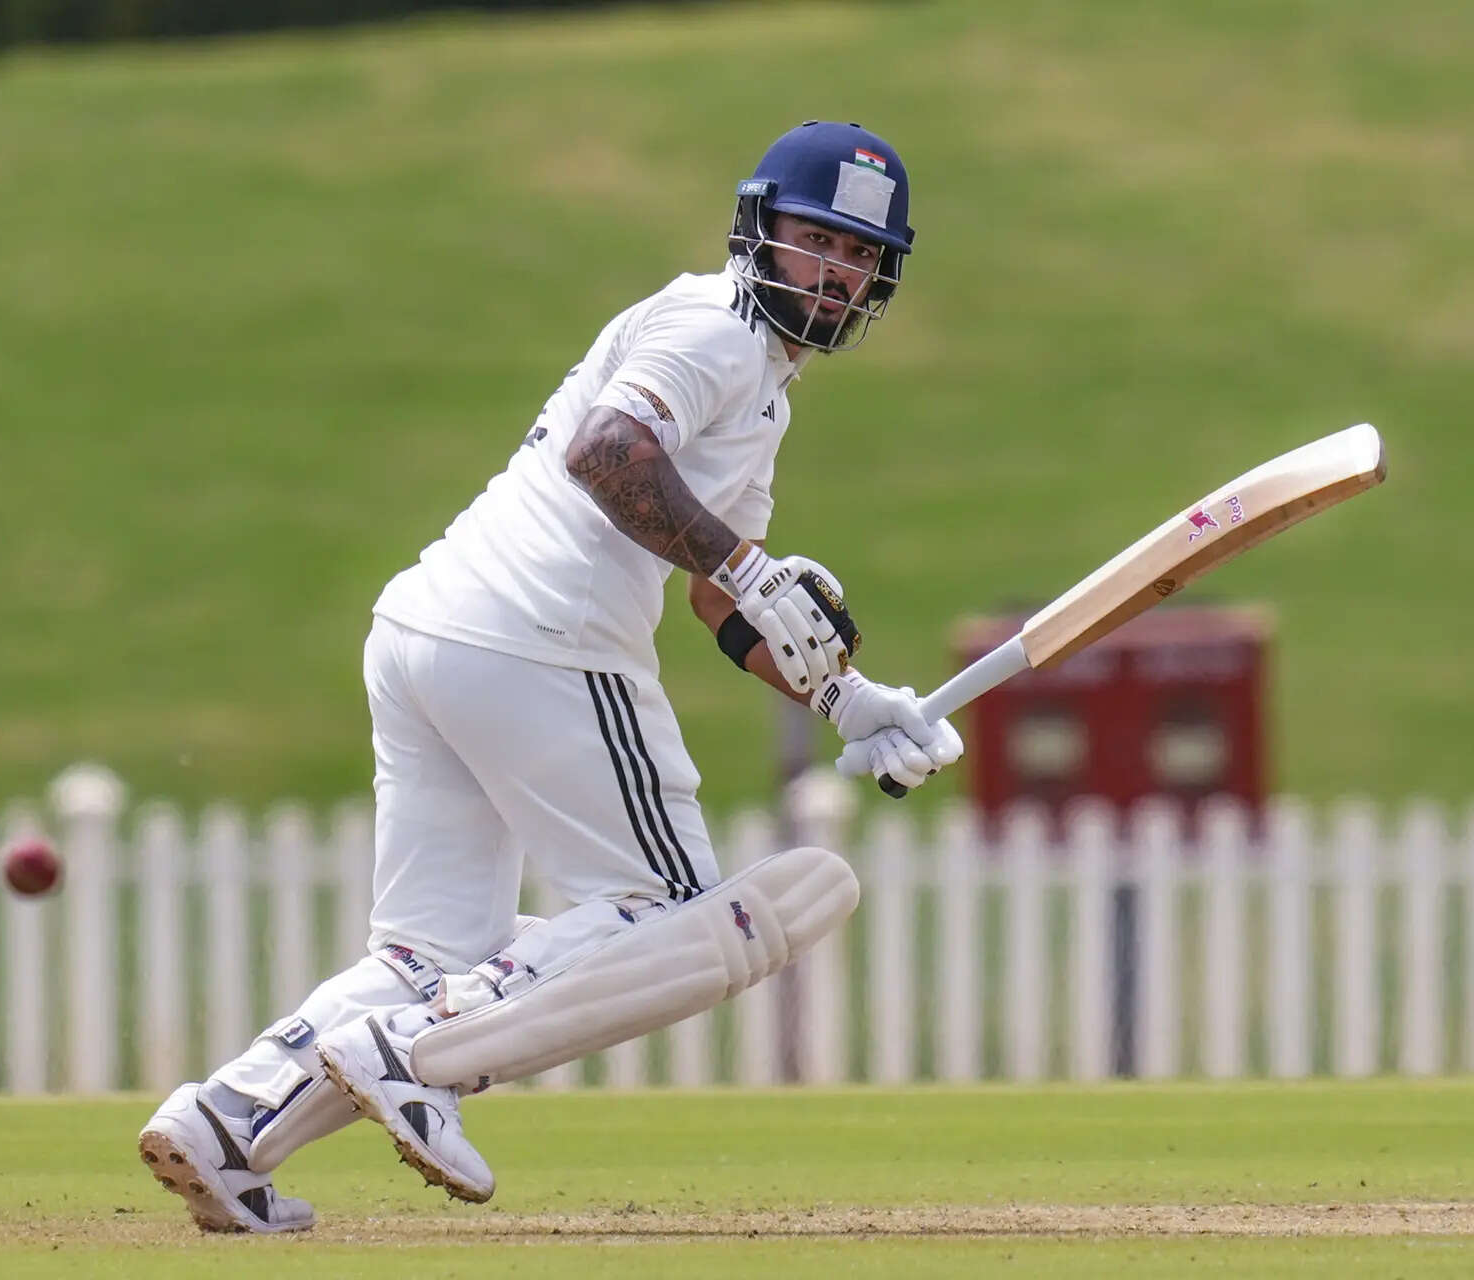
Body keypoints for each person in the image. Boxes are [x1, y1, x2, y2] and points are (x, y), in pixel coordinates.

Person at [136, 120, 962, 1233]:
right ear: (759, 228)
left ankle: (227, 1122)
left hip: (431, 629)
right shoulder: (716, 330)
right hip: (538, 638)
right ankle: (413, 1049)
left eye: (861, 256)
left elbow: (720, 599)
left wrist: (849, 700)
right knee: (672, 913)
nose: (836, 272)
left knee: (430, 947)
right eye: (817, 239)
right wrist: (742, 566)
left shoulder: (760, 388)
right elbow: (607, 454)